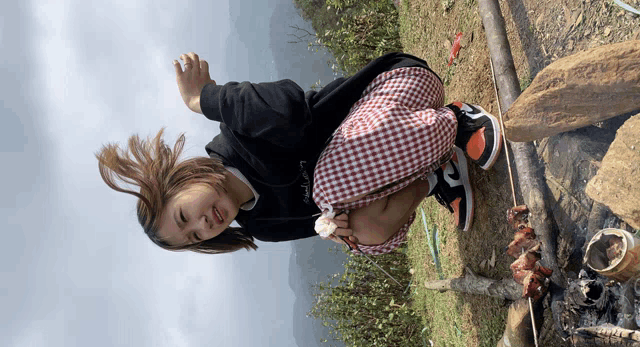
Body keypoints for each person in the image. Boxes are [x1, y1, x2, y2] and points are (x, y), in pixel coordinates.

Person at [96, 52, 501, 255]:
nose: (203, 224)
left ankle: (457, 120)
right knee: (361, 235)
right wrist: (339, 227)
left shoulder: (238, 134)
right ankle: (436, 173)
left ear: (181, 182)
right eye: (195, 237)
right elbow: (330, 220)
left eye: (185, 215)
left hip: (401, 87)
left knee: (329, 185)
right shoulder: (265, 226)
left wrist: (205, 100)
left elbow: (290, 111)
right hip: (405, 152)